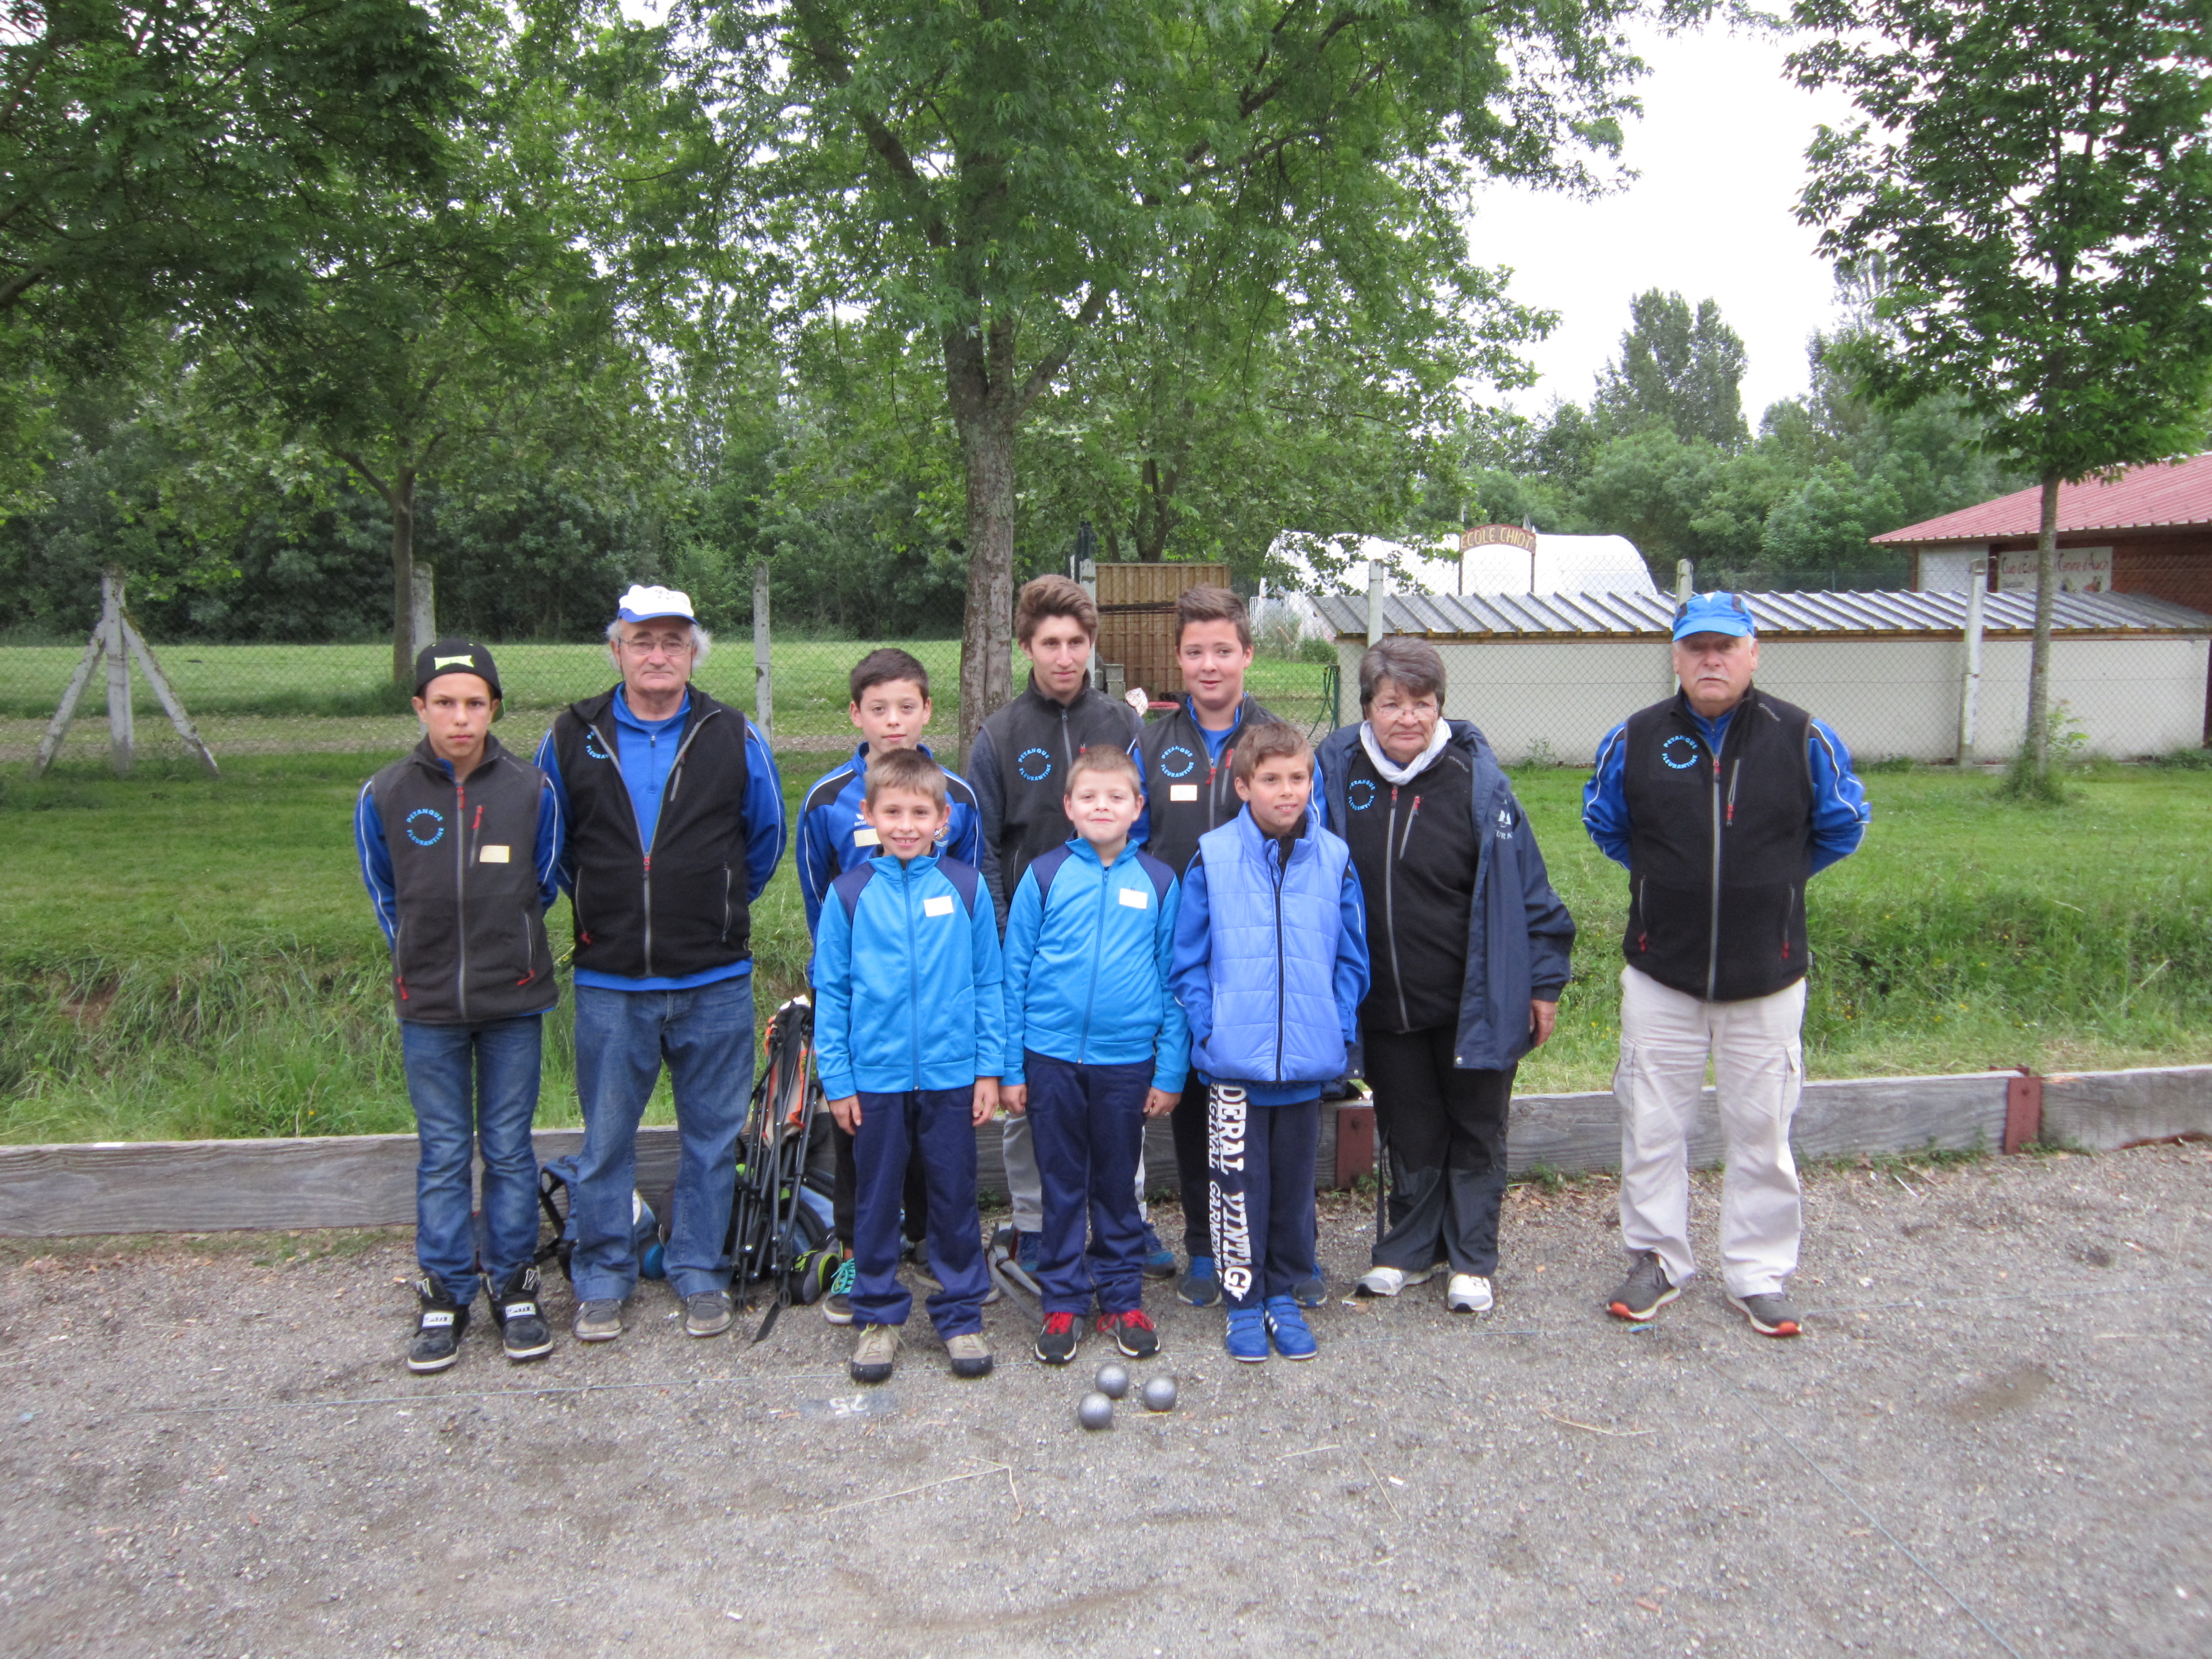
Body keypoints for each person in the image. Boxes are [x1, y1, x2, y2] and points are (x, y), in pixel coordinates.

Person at [1582, 592, 1869, 1338]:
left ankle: (1758, 1271)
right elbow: (1606, 824)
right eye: (1697, 647)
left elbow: (1842, 827)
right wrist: (1668, 883)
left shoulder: (1803, 736)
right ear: (1675, 656)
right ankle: (1657, 1259)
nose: (1712, 660)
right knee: (1651, 1124)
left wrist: (1768, 884)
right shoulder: (1637, 737)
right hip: (1660, 974)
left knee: (1762, 1129)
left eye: (1726, 647)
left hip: (1766, 976)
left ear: (1753, 653)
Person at [535, 584, 785, 1345]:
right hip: (611, 979)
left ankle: (699, 1269)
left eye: (674, 642)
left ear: (692, 653)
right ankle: (603, 1275)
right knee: (606, 1139)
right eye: (643, 640)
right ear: (617, 649)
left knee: (712, 1138)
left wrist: (708, 903)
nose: (657, 655)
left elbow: (764, 841)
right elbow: (555, 844)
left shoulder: (731, 734)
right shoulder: (571, 734)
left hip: (711, 977)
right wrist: (608, 907)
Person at [1316, 637, 1575, 1315]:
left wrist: (1543, 983)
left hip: (1475, 998)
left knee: (1476, 1123)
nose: (1407, 718)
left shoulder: (1478, 782)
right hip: (1387, 1001)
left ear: (1440, 708)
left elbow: (1532, 891)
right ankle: (1409, 1249)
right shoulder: (1337, 772)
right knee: (1410, 1125)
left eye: (1422, 704)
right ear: (1368, 706)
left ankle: (1471, 1256)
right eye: (1391, 703)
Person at [356, 640, 562, 1372]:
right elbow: (385, 893)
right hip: (430, 1006)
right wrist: (421, 953)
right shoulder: (385, 793)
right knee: (444, 1152)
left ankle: (512, 1284)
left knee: (508, 1147)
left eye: (475, 703)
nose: (460, 717)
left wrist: (505, 942)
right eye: (444, 703)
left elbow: (542, 883)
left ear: (494, 709)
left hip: (513, 1001)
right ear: (419, 708)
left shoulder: (533, 788)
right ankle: (445, 1291)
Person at [967, 575, 1155, 1280]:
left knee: (1117, 1101)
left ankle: (1123, 1221)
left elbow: (1150, 832)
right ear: (1027, 647)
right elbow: (981, 845)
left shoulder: (1125, 726)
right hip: (1032, 942)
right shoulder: (1000, 734)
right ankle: (1035, 1225)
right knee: (1028, 1105)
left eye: (1077, 642)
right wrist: (1009, 928)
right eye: (1051, 643)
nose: (1065, 655)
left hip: (1116, 946)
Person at [1170, 721, 1368, 1364]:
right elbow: (1188, 963)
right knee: (1237, 1189)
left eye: (1299, 779)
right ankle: (1243, 1300)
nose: (1287, 792)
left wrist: (1336, 1027)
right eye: (1272, 779)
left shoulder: (1334, 859)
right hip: (1234, 1067)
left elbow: (1352, 960)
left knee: (1289, 1188)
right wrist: (1210, 1028)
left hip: (1307, 1065)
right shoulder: (1213, 856)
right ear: (1242, 785)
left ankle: (1283, 1291)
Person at [797, 648, 982, 1324]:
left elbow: (966, 890)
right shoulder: (825, 799)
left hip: (939, 1013)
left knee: (940, 1149)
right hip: (863, 999)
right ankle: (858, 1255)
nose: (894, 721)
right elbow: (822, 899)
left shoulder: (955, 795)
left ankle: (937, 1248)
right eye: (880, 709)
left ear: (927, 710)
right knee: (861, 1146)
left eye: (908, 707)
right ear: (857, 714)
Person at [812, 746, 1003, 1383]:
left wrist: (987, 1070)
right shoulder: (848, 895)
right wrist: (837, 1080)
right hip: (876, 1080)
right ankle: (877, 1317)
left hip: (951, 1077)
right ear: (868, 815)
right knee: (875, 1203)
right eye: (891, 811)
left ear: (943, 819)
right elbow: (833, 993)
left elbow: (987, 984)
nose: (905, 824)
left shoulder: (966, 888)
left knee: (953, 1200)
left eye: (919, 812)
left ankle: (960, 1316)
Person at [1000, 746, 1188, 1366]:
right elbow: (1014, 973)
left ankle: (1122, 1296)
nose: (1102, 807)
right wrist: (1011, 1067)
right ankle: (1063, 1299)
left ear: (1139, 807)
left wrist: (1168, 1069)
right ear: (1069, 808)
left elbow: (1173, 982)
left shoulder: (1160, 882)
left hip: (1126, 1063)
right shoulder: (1045, 875)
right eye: (1090, 798)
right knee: (1061, 1185)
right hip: (1049, 1059)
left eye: (1116, 798)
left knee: (1115, 1185)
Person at [1129, 585, 1287, 1309]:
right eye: (1195, 652)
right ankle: (1202, 1242)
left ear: (1247, 654)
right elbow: (1129, 844)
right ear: (1180, 659)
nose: (1210, 665)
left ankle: (1267, 1243)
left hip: (1261, 957)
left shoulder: (1277, 742)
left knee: (1258, 1102)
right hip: (1179, 959)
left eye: (1224, 650)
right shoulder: (1152, 742)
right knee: (1191, 1100)